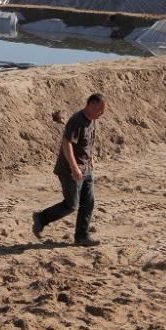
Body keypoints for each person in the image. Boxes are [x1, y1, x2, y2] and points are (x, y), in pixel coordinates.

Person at [32, 93, 106, 247]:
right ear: (91, 105)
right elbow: (67, 144)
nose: (101, 114)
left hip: (85, 169)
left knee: (88, 203)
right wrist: (74, 167)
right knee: (71, 205)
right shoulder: (76, 120)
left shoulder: (92, 120)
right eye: (99, 110)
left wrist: (89, 161)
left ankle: (82, 237)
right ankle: (41, 218)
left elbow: (86, 144)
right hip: (69, 170)